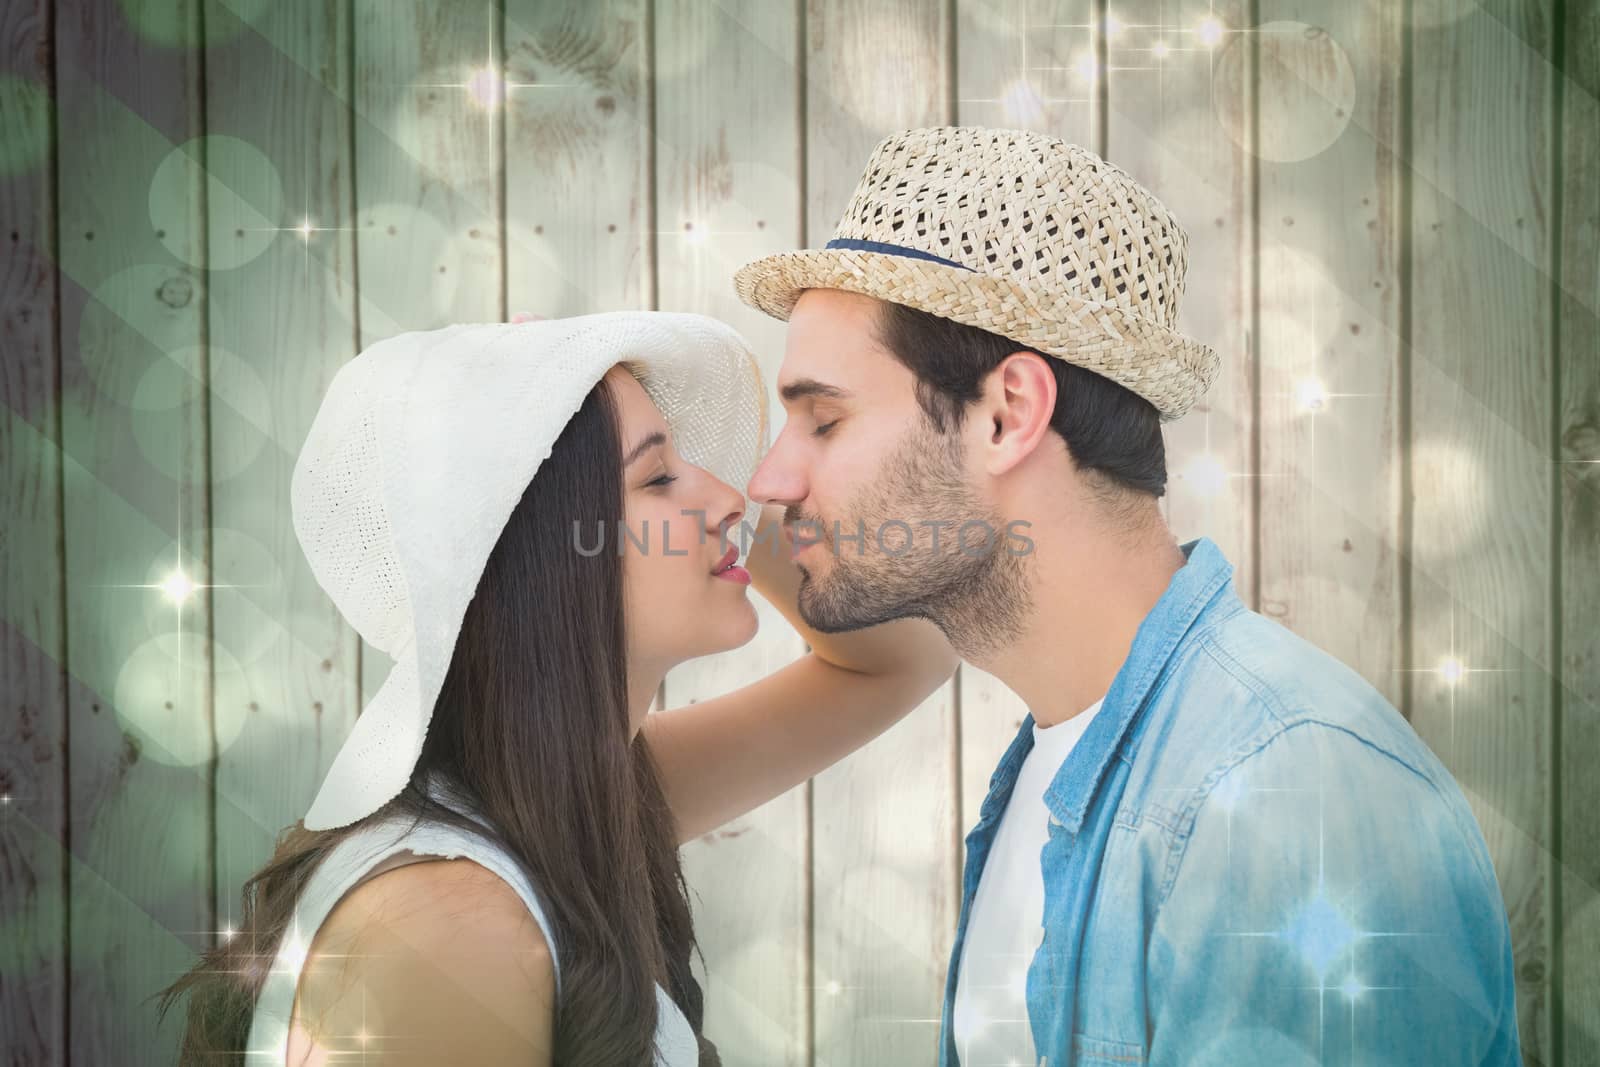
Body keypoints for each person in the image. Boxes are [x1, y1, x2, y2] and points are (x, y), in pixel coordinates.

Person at [732, 125, 1521, 1066]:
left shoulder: (1283, 794)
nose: (774, 478)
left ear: (1007, 414)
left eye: (823, 418)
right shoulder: (1062, 760)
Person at [153, 313, 957, 1065]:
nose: (731, 499)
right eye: (658, 477)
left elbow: (910, 655)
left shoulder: (575, 795)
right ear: (544, 557)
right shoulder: (442, 924)